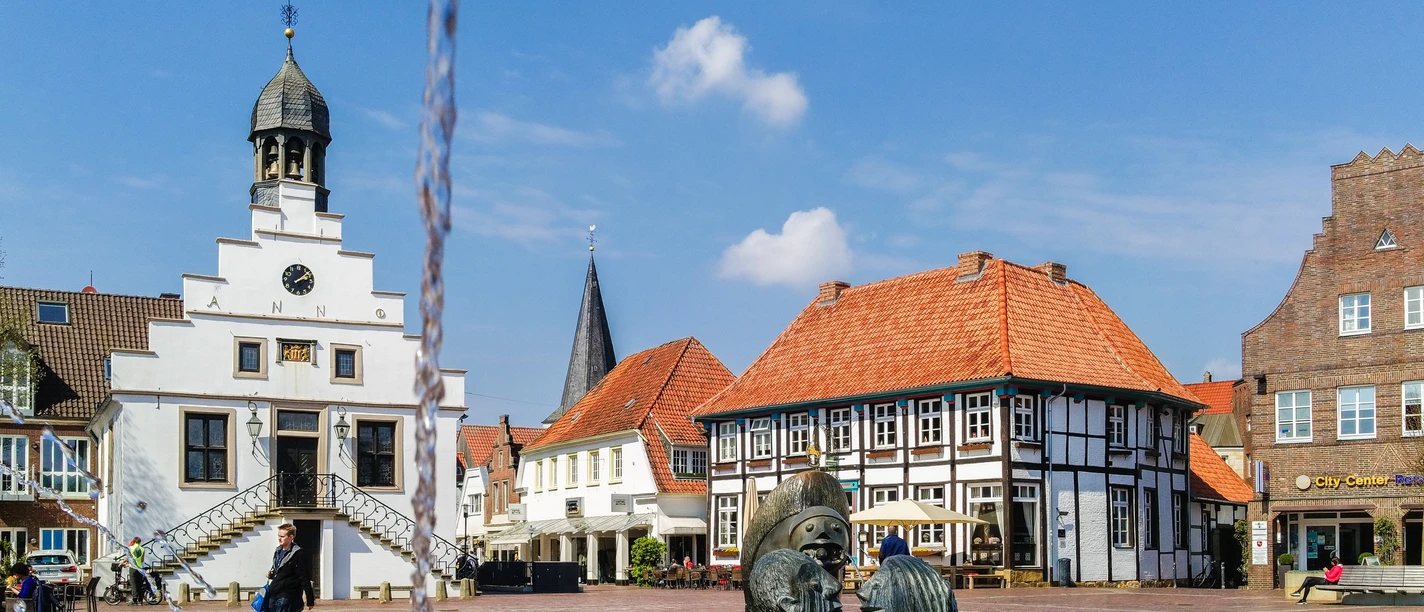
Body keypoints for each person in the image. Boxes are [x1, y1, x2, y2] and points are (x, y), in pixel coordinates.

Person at [264, 524, 315, 612]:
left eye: (282, 536)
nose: (279, 538)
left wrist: (310, 599)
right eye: (279, 536)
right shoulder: (278, 551)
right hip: (274, 593)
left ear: (291, 537)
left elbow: (304, 577)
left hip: (288, 595)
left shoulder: (299, 554)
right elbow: (279, 571)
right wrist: (271, 574)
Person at [127, 537, 149, 605]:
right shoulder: (142, 549)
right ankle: (140, 600)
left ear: (134, 541)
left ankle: (135, 599)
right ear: (140, 542)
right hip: (140, 568)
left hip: (133, 568)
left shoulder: (131, 548)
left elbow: (129, 558)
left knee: (133, 584)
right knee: (139, 584)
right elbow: (142, 560)